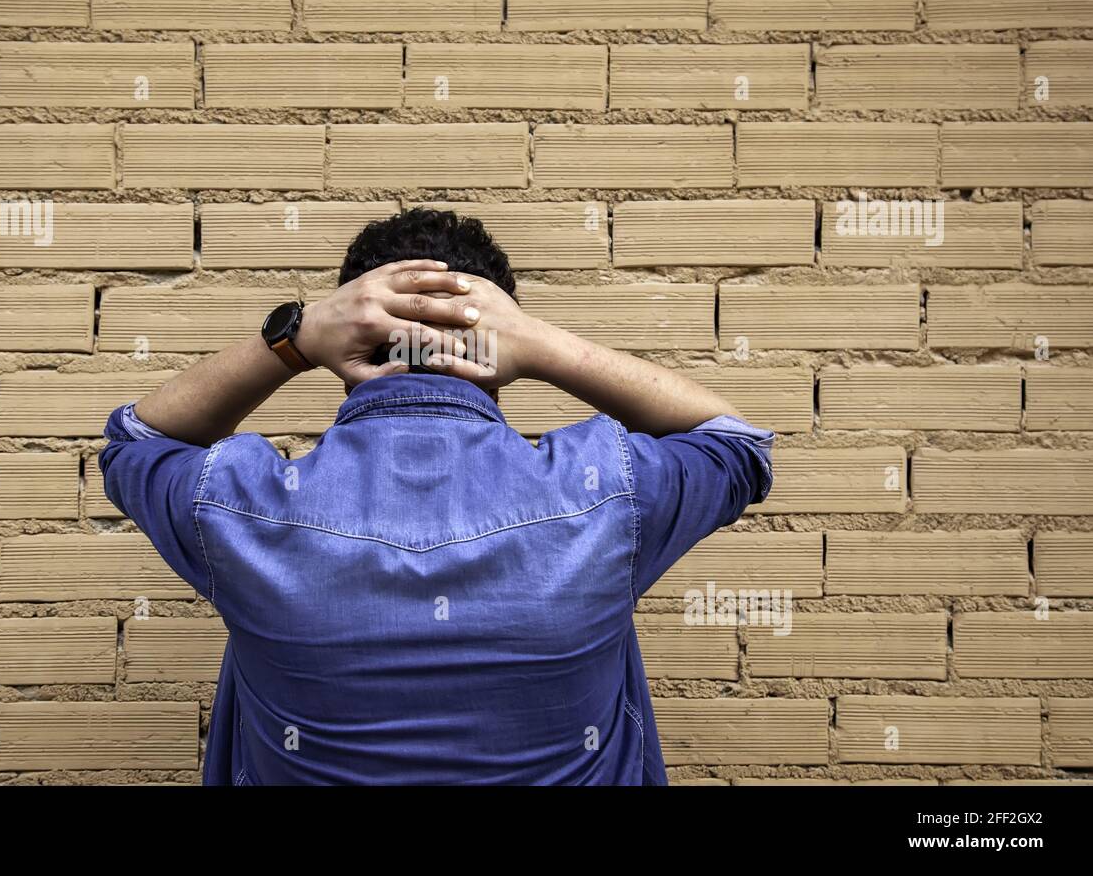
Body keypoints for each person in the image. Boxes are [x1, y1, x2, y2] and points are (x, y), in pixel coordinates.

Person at [99, 208, 774, 785]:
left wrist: (297, 338)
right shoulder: (608, 495)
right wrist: (537, 342)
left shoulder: (239, 505)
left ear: (348, 357)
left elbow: (133, 443)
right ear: (496, 359)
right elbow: (739, 446)